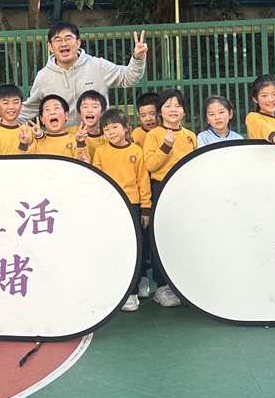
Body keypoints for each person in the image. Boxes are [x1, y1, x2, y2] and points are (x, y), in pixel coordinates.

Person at [20, 23, 149, 125]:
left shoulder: (98, 65)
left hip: (98, 137)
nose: (63, 43)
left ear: (78, 42)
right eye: (57, 40)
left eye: (68, 38)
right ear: (50, 47)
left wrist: (138, 58)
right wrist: (7, 120)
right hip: (63, 140)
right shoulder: (43, 76)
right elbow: (31, 108)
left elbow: (128, 78)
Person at [92, 108, 151, 311]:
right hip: (110, 207)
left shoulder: (136, 151)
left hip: (133, 205)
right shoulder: (100, 152)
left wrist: (146, 208)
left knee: (133, 249)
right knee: (114, 249)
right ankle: (116, 291)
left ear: (126, 128)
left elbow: (143, 181)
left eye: (115, 127)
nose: (111, 132)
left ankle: (132, 293)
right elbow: (97, 181)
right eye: (106, 129)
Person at [143, 88, 197, 307]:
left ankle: (183, 283)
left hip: (185, 191)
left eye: (178, 105)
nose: (173, 109)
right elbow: (150, 165)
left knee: (183, 236)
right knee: (162, 236)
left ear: (184, 111)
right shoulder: (153, 135)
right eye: (168, 106)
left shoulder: (190, 136)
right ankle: (162, 286)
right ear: (160, 112)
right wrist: (166, 146)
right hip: (161, 188)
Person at [32, 94, 89, 161]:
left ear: (66, 115)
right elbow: (27, 161)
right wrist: (25, 144)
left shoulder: (75, 140)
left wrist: (80, 143)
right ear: (42, 120)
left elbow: (84, 163)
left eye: (56, 108)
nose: (52, 112)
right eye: (47, 109)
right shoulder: (37, 140)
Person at [244, 75, 275, 147]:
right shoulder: (252, 118)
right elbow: (263, 128)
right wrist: (274, 137)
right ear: (255, 99)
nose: (270, 99)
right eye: (264, 95)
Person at [0, 84, 34, 155]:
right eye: (5, 103)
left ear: (21, 106)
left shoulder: (30, 132)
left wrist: (24, 145)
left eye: (16, 102)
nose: (11, 107)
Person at [72, 90, 107, 159]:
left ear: (102, 112)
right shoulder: (71, 133)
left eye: (95, 107)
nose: (89, 110)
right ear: (79, 113)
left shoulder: (108, 135)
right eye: (85, 107)